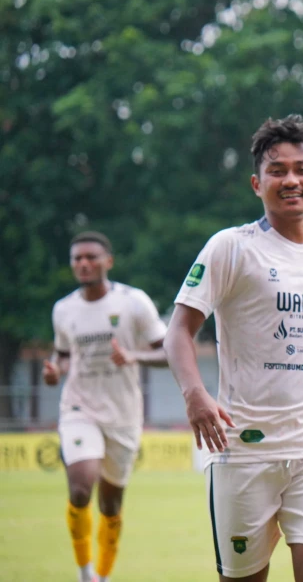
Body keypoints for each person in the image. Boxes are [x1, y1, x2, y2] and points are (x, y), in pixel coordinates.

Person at [163, 115, 303, 582]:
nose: (291, 180)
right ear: (257, 183)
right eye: (277, 170)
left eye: (301, 169)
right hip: (244, 449)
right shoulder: (231, 248)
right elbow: (178, 332)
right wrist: (194, 394)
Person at [46, 230, 170, 582]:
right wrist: (56, 370)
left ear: (108, 262)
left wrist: (133, 355)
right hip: (79, 408)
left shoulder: (134, 303)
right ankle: (85, 572)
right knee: (81, 486)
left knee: (111, 504)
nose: (83, 264)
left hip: (123, 414)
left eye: (91, 257)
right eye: (77, 259)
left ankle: (103, 574)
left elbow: (169, 352)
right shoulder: (64, 309)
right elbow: (65, 355)